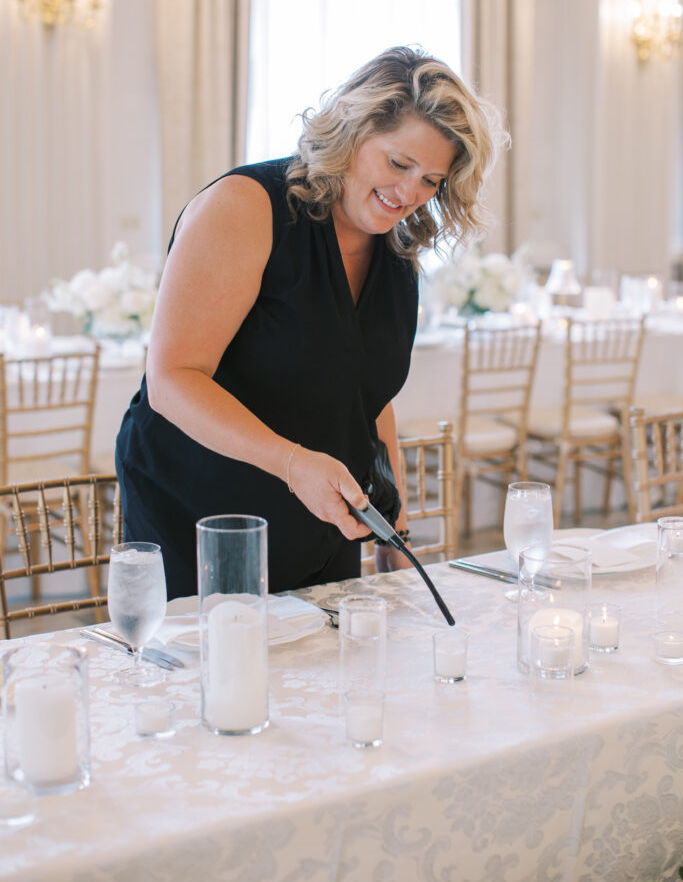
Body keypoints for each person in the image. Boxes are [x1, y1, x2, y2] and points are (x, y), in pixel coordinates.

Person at [115, 46, 503, 600]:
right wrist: (294, 464)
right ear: (352, 130)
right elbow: (172, 380)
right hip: (203, 512)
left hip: (321, 513)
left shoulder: (395, 245)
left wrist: (394, 525)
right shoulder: (246, 207)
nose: (409, 195)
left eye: (431, 180)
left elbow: (367, 393)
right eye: (399, 164)